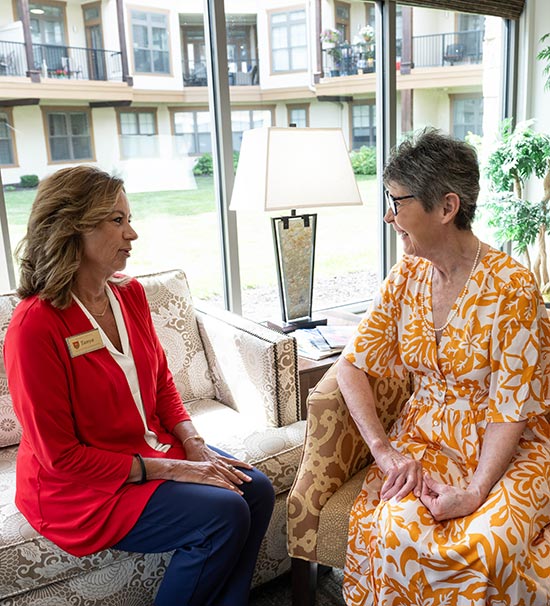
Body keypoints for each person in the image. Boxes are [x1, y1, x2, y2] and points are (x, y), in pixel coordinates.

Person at [4, 165, 275, 606]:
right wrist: (176, 468)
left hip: (145, 448)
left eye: (128, 219)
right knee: (222, 514)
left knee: (255, 489)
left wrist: (193, 443)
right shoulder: (35, 326)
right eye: (117, 220)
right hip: (79, 487)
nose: (132, 234)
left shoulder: (129, 295)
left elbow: (162, 380)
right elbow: (60, 457)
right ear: (72, 228)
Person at [337, 129, 550, 605]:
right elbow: (351, 367)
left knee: (485, 545)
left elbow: (511, 410)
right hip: (425, 441)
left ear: (447, 207)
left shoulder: (512, 288)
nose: (390, 218)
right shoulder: (406, 275)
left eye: (398, 203)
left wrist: (475, 492)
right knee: (394, 528)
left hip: (508, 449)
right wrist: (385, 451)